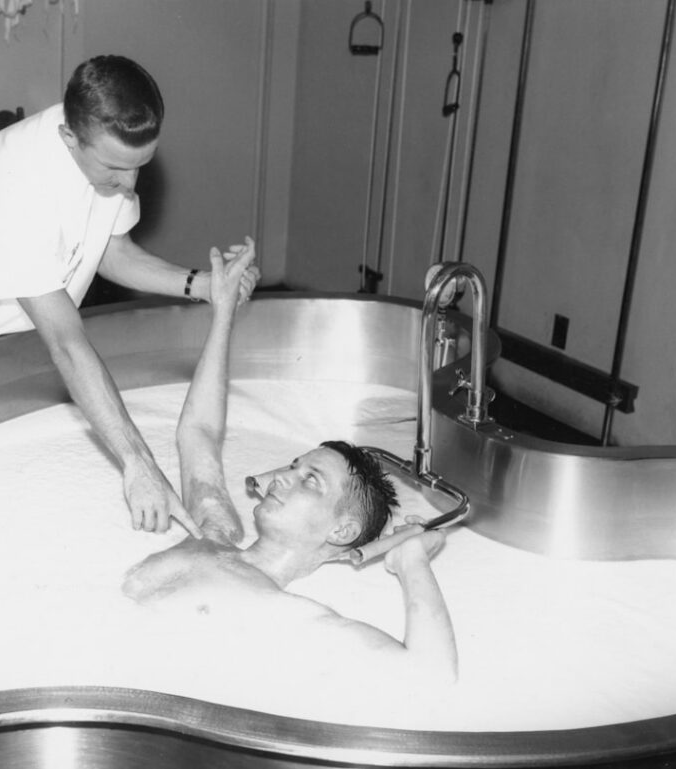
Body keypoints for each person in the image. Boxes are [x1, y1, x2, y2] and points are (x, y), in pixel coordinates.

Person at [0, 55, 258, 538]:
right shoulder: (12, 180)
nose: (129, 184)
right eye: (117, 169)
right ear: (68, 138)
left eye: (140, 166)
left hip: (22, 347)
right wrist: (139, 463)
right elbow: (66, 340)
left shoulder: (108, 159)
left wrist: (201, 285)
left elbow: (111, 251)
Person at [123, 241, 458, 683]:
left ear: (341, 532)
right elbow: (197, 435)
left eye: (311, 481)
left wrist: (413, 561)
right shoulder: (213, 532)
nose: (281, 477)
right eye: (295, 466)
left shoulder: (283, 615)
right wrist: (223, 309)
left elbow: (432, 677)